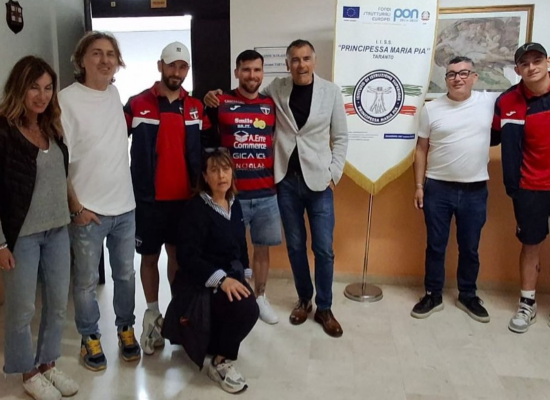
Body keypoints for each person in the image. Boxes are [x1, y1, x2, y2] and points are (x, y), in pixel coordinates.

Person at [205, 39, 348, 338]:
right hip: (284, 181)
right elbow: (245, 92)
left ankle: (325, 307)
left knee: (323, 248)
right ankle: (304, 299)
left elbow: (341, 137)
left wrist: (334, 174)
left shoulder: (331, 92)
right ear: (286, 64)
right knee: (295, 246)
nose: (301, 64)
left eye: (306, 58)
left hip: (320, 182)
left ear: (314, 61)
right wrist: (213, 95)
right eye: (295, 59)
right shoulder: (277, 89)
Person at [58, 31, 140, 370]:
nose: (105, 60)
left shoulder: (114, 94)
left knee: (125, 275)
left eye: (110, 54)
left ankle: (126, 329)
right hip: (88, 212)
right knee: (86, 282)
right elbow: (59, 161)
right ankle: (89, 336)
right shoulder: (65, 100)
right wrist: (75, 207)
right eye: (96, 53)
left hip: (124, 207)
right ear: (81, 59)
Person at [0, 56, 79, 400]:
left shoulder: (52, 128)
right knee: (22, 309)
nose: (42, 95)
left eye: (48, 88)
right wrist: (0, 243)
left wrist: (76, 211)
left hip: (58, 231)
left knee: (58, 303)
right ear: (19, 87)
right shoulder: (4, 131)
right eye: (34, 87)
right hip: (22, 236)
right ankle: (27, 371)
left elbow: (61, 179)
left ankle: (47, 363)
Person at [124, 41, 209, 354]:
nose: (177, 72)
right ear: (160, 65)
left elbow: (210, 145)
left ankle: (176, 317)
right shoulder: (137, 104)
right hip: (148, 201)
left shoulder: (196, 107)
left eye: (182, 66)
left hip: (185, 201)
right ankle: (152, 316)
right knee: (148, 258)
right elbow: (108, 141)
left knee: (178, 258)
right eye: (172, 65)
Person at [162, 148, 259, 394]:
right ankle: (219, 363)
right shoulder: (196, 209)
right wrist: (221, 280)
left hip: (228, 276)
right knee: (248, 309)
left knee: (246, 299)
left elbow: (241, 245)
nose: (221, 176)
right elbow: (187, 257)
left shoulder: (234, 204)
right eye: (214, 170)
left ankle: (216, 345)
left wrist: (246, 275)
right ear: (205, 177)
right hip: (199, 282)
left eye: (225, 169)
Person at [412, 56, 499, 322]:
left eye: (463, 73)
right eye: (451, 74)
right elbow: (421, 149)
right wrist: (419, 186)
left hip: (475, 190)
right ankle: (432, 294)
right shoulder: (431, 109)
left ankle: (468, 295)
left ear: (474, 77)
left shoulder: (488, 102)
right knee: (435, 245)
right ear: (446, 79)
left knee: (470, 247)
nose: (457, 78)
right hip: (437, 188)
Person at [204, 49, 281, 324]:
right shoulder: (220, 102)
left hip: (266, 193)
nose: (252, 75)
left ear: (263, 73)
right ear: (236, 72)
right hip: (231, 195)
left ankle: (260, 297)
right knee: (227, 250)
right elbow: (203, 134)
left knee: (262, 248)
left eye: (257, 70)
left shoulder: (271, 105)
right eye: (246, 69)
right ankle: (232, 299)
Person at [491, 42, 550, 333]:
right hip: (529, 186)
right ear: (517, 70)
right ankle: (527, 303)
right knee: (530, 245)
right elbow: (489, 136)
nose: (531, 67)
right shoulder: (506, 101)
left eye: (537, 60)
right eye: (524, 64)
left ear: (548, 62)